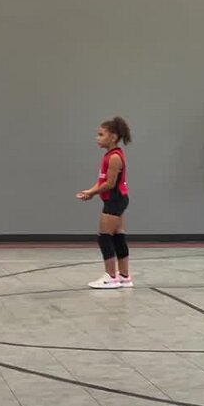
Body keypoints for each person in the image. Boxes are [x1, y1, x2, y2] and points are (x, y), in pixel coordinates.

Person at [76, 117, 133, 289]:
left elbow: (110, 184)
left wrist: (93, 193)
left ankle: (110, 277)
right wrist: (90, 192)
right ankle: (124, 276)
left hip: (115, 200)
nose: (97, 138)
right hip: (116, 199)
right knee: (118, 237)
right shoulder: (109, 156)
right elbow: (102, 181)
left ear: (113, 137)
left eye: (101, 135)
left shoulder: (114, 157)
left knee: (104, 237)